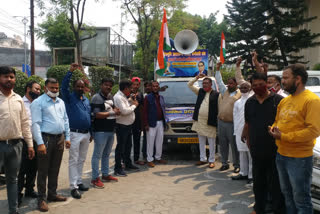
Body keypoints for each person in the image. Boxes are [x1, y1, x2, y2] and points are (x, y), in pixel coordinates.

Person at [269, 63, 320, 213]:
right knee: (287, 195)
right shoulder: (285, 100)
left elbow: (313, 131)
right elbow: (277, 121)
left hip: (300, 159)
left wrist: (284, 136)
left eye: (286, 78)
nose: (282, 81)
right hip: (281, 155)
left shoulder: (311, 100)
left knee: (301, 199)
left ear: (297, 79)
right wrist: (273, 128)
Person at [242, 72, 285, 214]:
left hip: (275, 149)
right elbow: (248, 122)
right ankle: (258, 208)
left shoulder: (278, 100)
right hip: (256, 148)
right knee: (259, 182)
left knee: (275, 183)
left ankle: (277, 209)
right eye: (254, 85)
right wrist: (246, 135)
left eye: (261, 84)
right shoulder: (250, 102)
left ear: (266, 83)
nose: (258, 87)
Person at [31, 78, 70, 212]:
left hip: (59, 138)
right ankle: (41, 199)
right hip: (45, 139)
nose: (54, 90)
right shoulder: (38, 102)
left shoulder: (61, 102)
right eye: (52, 88)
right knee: (43, 171)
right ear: (45, 88)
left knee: (55, 168)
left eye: (56, 88)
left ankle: (52, 194)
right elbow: (35, 124)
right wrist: (40, 143)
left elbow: (65, 120)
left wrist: (67, 137)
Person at [0, 66, 35, 214]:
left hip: (16, 145)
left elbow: (25, 124)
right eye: (5, 76)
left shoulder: (18, 99)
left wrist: (30, 145)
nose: (9, 79)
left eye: (11, 77)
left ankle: (13, 210)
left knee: (12, 180)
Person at [61, 63, 91, 199]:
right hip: (74, 133)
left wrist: (91, 132)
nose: (80, 88)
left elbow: (89, 116)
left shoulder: (86, 99)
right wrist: (70, 72)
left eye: (81, 86)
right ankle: (73, 187)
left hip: (86, 133)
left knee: (82, 159)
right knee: (73, 160)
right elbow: (63, 87)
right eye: (77, 86)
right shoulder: (69, 98)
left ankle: (79, 182)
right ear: (74, 87)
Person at [90, 78, 120, 188]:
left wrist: (116, 110)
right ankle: (94, 178)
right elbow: (96, 114)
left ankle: (106, 175)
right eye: (106, 85)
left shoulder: (110, 97)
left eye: (110, 86)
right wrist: (113, 112)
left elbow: (113, 109)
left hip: (110, 130)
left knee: (106, 154)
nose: (108, 87)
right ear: (101, 85)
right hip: (100, 131)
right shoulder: (97, 98)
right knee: (97, 155)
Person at [18, 81, 41, 206]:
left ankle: (29, 189)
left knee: (34, 167)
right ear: (28, 89)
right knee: (22, 169)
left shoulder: (38, 103)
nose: (38, 91)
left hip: (37, 140)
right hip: (23, 141)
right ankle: (17, 195)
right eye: (36, 89)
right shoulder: (20, 103)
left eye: (39, 90)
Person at [188, 74, 218, 168]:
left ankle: (211, 160)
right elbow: (189, 84)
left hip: (210, 121)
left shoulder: (216, 94)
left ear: (211, 84)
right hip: (200, 120)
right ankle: (202, 159)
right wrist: (197, 77)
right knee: (201, 141)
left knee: (211, 142)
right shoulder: (200, 91)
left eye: (206, 83)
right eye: (203, 83)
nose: (204, 85)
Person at [215, 62, 241, 172]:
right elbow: (219, 82)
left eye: (231, 83)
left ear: (236, 84)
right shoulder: (224, 91)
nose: (229, 85)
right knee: (223, 145)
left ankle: (237, 165)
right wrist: (217, 69)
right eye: (228, 83)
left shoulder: (240, 94)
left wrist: (238, 67)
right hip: (221, 123)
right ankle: (224, 163)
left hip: (232, 124)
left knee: (234, 146)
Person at [114, 80, 139, 176]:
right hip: (122, 125)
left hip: (127, 125)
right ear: (125, 88)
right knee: (121, 147)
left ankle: (128, 164)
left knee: (128, 146)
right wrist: (134, 106)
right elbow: (124, 111)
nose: (131, 90)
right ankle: (118, 168)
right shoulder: (118, 97)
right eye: (130, 88)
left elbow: (125, 105)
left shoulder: (123, 96)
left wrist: (130, 101)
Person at [231, 81, 253, 184]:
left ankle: (251, 175)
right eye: (242, 88)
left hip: (250, 131)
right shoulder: (237, 102)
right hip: (239, 131)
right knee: (242, 153)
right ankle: (243, 173)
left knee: (250, 154)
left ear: (250, 88)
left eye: (246, 87)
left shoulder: (252, 100)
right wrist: (236, 131)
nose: (244, 89)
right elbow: (235, 118)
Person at [144, 81, 167, 167]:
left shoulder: (161, 97)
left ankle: (158, 157)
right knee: (150, 142)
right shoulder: (148, 97)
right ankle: (150, 159)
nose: (155, 88)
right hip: (151, 123)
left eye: (157, 86)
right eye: (153, 86)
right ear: (151, 87)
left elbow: (163, 109)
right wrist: (146, 124)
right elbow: (145, 112)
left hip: (161, 122)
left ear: (158, 87)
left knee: (159, 141)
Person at [131, 77, 145, 165]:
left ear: (139, 85)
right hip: (128, 120)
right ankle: (124, 160)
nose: (135, 86)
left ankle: (136, 159)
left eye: (137, 84)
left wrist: (142, 122)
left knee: (137, 140)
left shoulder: (140, 94)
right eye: (134, 84)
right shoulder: (127, 93)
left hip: (137, 121)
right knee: (127, 141)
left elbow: (142, 108)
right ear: (131, 84)